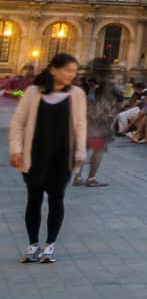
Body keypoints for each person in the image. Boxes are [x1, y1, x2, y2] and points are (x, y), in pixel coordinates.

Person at [10, 54, 87, 264]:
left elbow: (80, 125)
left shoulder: (77, 94)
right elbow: (18, 122)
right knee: (33, 201)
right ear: (53, 69)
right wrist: (15, 149)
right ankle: (32, 245)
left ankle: (50, 245)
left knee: (56, 200)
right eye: (68, 70)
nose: (72, 75)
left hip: (62, 157)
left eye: (74, 71)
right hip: (35, 155)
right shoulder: (32, 92)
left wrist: (80, 151)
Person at [75, 79, 119, 187]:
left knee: (83, 152)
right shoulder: (109, 100)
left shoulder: (89, 97)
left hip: (84, 128)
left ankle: (78, 177)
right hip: (98, 130)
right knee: (98, 152)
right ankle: (91, 179)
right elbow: (109, 117)